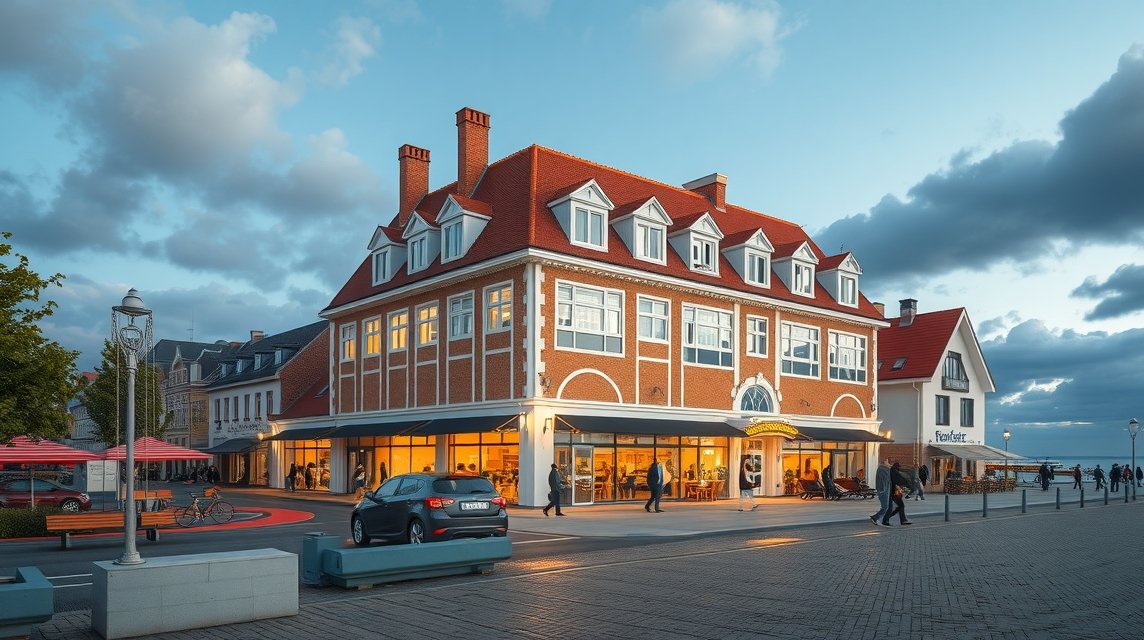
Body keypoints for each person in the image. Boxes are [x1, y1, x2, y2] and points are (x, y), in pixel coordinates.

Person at [882, 462, 912, 526]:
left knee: (898, 506)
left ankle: (888, 519)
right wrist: (907, 484)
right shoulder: (894, 472)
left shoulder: (892, 471)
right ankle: (886, 519)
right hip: (894, 492)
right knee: (898, 506)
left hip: (892, 491)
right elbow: (898, 480)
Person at [870, 460, 891, 527]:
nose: (889, 463)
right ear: (884, 462)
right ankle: (875, 518)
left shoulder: (885, 469)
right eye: (887, 461)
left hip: (885, 491)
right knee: (885, 507)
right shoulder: (882, 469)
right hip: (883, 491)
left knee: (887, 507)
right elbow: (884, 480)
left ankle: (883, 520)